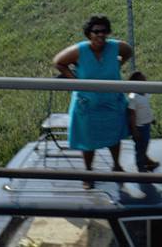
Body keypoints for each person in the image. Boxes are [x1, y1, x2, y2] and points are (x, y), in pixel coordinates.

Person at [52, 15, 132, 188]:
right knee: (88, 139)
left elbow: (128, 51)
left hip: (111, 102)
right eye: (96, 31)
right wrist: (74, 81)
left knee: (114, 135)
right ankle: (88, 173)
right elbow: (58, 62)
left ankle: (117, 166)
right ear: (89, 34)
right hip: (86, 104)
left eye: (103, 31)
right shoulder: (80, 50)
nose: (100, 35)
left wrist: (117, 64)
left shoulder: (115, 47)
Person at [126, 71, 160, 172]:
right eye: (142, 80)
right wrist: (134, 130)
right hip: (139, 126)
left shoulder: (145, 93)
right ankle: (141, 167)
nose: (145, 81)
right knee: (140, 147)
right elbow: (131, 114)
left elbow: (146, 108)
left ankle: (146, 160)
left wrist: (151, 119)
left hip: (146, 124)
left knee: (144, 144)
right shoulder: (133, 97)